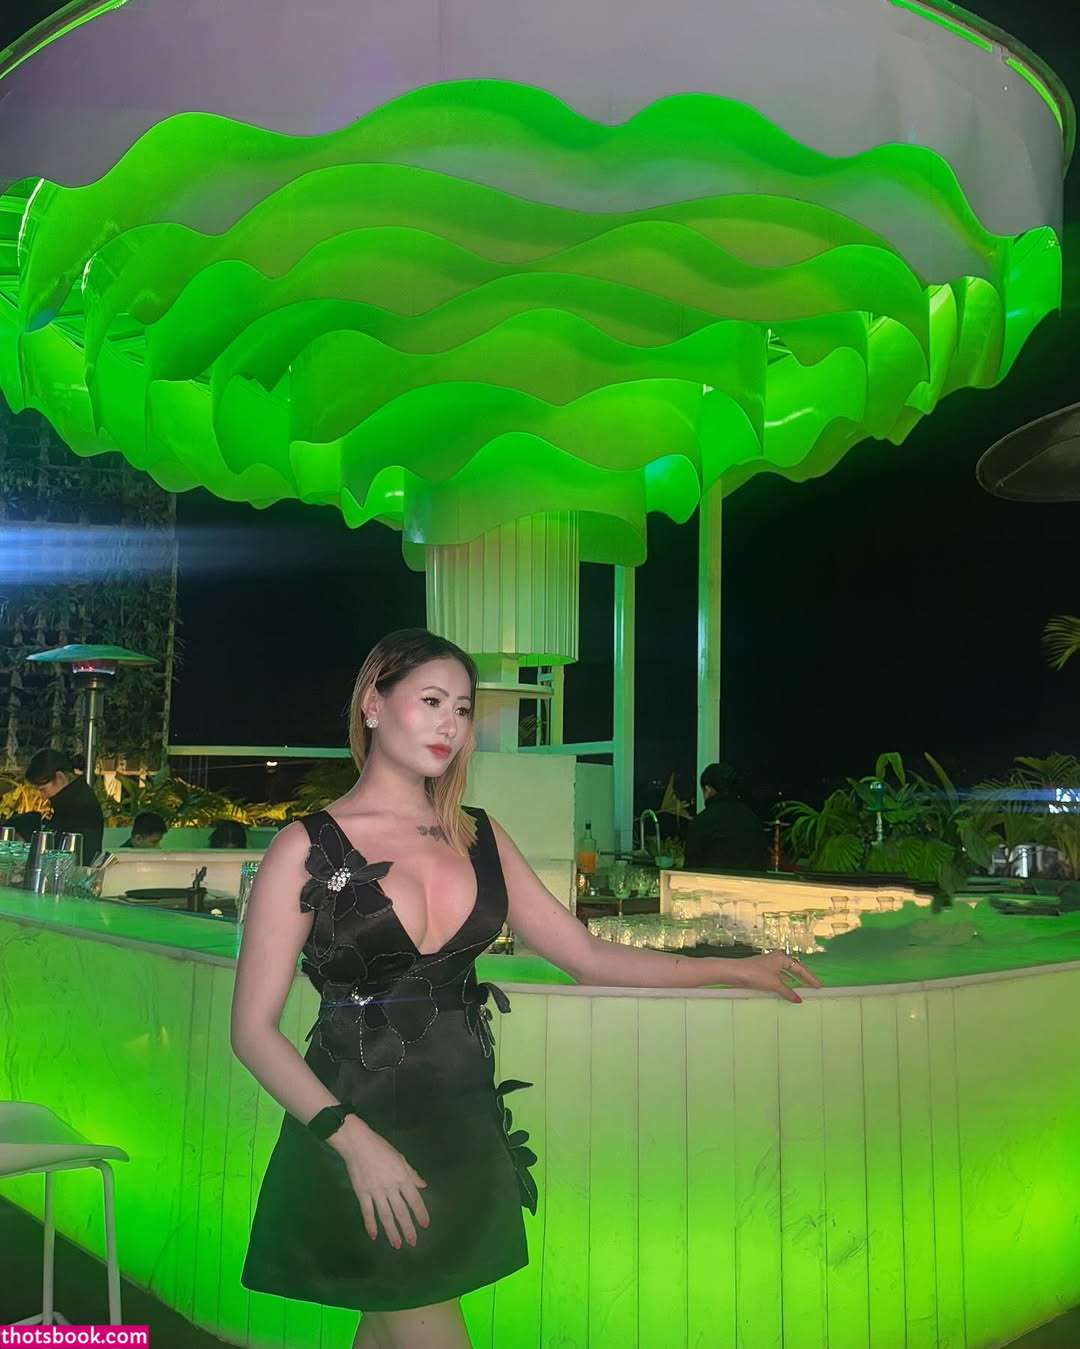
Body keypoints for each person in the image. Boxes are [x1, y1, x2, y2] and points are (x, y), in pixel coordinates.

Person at [231, 629, 819, 1349]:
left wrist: (729, 965)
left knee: (389, 1325)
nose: (451, 724)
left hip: (459, 1125)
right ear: (373, 704)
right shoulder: (305, 847)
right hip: (353, 1127)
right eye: (432, 701)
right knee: (419, 1320)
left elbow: (585, 955)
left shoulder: (477, 835)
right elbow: (251, 1030)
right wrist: (353, 1144)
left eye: (463, 709)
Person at [684, 761, 767, 872]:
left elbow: (691, 870)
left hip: (712, 882)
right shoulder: (753, 819)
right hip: (752, 882)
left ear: (708, 789)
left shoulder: (701, 823)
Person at [24, 748, 104, 863]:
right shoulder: (71, 799)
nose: (43, 796)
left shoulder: (81, 808)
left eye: (43, 789)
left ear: (60, 777)